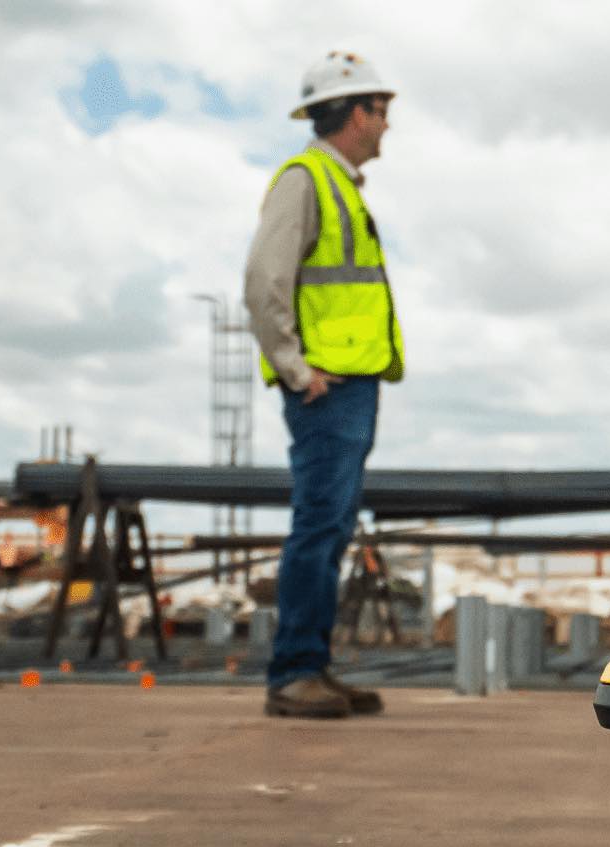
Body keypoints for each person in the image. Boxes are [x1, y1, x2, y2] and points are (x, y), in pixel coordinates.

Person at [245, 50, 404, 720]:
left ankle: (311, 663)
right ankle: (295, 671)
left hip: (349, 382)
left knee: (332, 527)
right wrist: (295, 366)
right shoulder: (306, 181)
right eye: (381, 111)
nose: (388, 125)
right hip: (326, 387)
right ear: (353, 113)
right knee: (318, 525)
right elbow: (263, 280)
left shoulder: (336, 183)